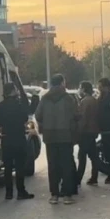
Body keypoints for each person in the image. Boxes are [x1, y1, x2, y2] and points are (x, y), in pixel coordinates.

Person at [36, 74, 78, 205]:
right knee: (66, 165)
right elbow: (76, 115)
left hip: (50, 137)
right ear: (61, 83)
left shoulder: (45, 98)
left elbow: (38, 115)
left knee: (53, 165)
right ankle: (67, 195)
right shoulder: (68, 99)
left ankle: (54, 195)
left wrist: (45, 124)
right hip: (65, 136)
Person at [0, 83, 34, 200]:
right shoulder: (19, 105)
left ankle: (8, 193)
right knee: (20, 166)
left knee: (8, 167)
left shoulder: (0, 106)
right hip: (19, 138)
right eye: (16, 89)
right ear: (12, 91)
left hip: (6, 138)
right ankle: (21, 192)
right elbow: (25, 118)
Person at [76, 81, 100, 186]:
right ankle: (94, 176)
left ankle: (77, 179)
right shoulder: (94, 100)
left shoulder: (85, 101)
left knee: (82, 156)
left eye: (80, 88)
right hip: (93, 131)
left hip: (85, 132)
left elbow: (83, 118)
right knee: (94, 156)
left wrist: (78, 131)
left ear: (84, 89)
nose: (79, 90)